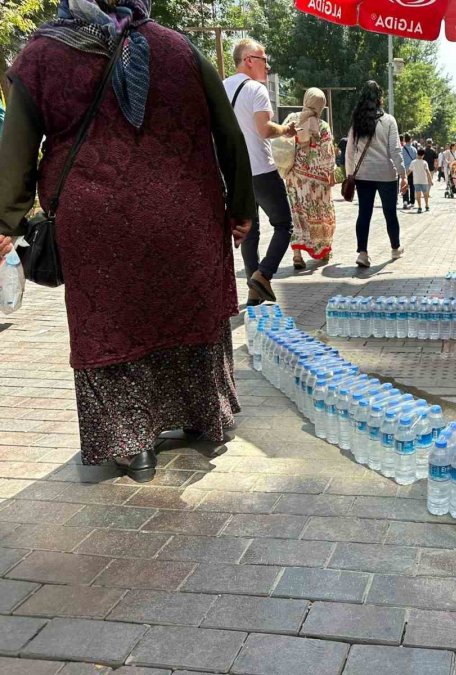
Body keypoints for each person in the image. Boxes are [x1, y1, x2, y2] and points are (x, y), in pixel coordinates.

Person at [0, 0, 254, 482]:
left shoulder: (41, 56)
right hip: (187, 214)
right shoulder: (179, 48)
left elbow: (16, 147)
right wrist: (240, 205)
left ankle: (134, 446)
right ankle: (204, 416)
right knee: (187, 313)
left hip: (97, 221)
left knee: (113, 325)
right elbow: (228, 132)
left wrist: (8, 219)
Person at [224, 38, 296, 305]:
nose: (268, 66)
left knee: (249, 229)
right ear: (249, 60)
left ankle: (253, 290)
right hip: (261, 170)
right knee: (284, 225)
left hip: (234, 174)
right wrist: (286, 130)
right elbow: (264, 130)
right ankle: (263, 274)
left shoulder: (221, 88)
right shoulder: (256, 89)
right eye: (265, 60)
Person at [345, 81, 406, 268]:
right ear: (380, 98)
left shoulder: (358, 120)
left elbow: (349, 150)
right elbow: (395, 150)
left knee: (364, 213)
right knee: (390, 213)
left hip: (363, 175)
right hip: (386, 175)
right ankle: (395, 248)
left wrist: (349, 174)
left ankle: (362, 253)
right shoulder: (389, 120)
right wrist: (403, 174)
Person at [282, 88, 337, 268]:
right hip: (317, 182)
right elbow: (328, 154)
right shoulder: (322, 126)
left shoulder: (292, 119)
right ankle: (322, 250)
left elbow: (281, 141)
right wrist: (331, 173)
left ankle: (297, 255)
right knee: (320, 215)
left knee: (296, 213)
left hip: (293, 178)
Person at [410, 148, 433, 213]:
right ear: (423, 155)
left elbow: (409, 171)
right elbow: (428, 172)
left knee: (418, 195)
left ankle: (419, 207)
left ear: (417, 154)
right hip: (424, 181)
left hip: (416, 181)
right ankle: (427, 205)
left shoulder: (413, 162)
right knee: (425, 194)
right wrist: (430, 180)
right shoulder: (424, 162)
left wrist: (405, 177)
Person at [401, 133, 417, 209]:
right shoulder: (414, 149)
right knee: (412, 186)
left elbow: (400, 160)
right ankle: (412, 202)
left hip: (405, 170)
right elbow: (416, 160)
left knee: (405, 185)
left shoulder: (402, 149)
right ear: (411, 140)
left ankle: (405, 201)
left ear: (404, 140)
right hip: (412, 170)